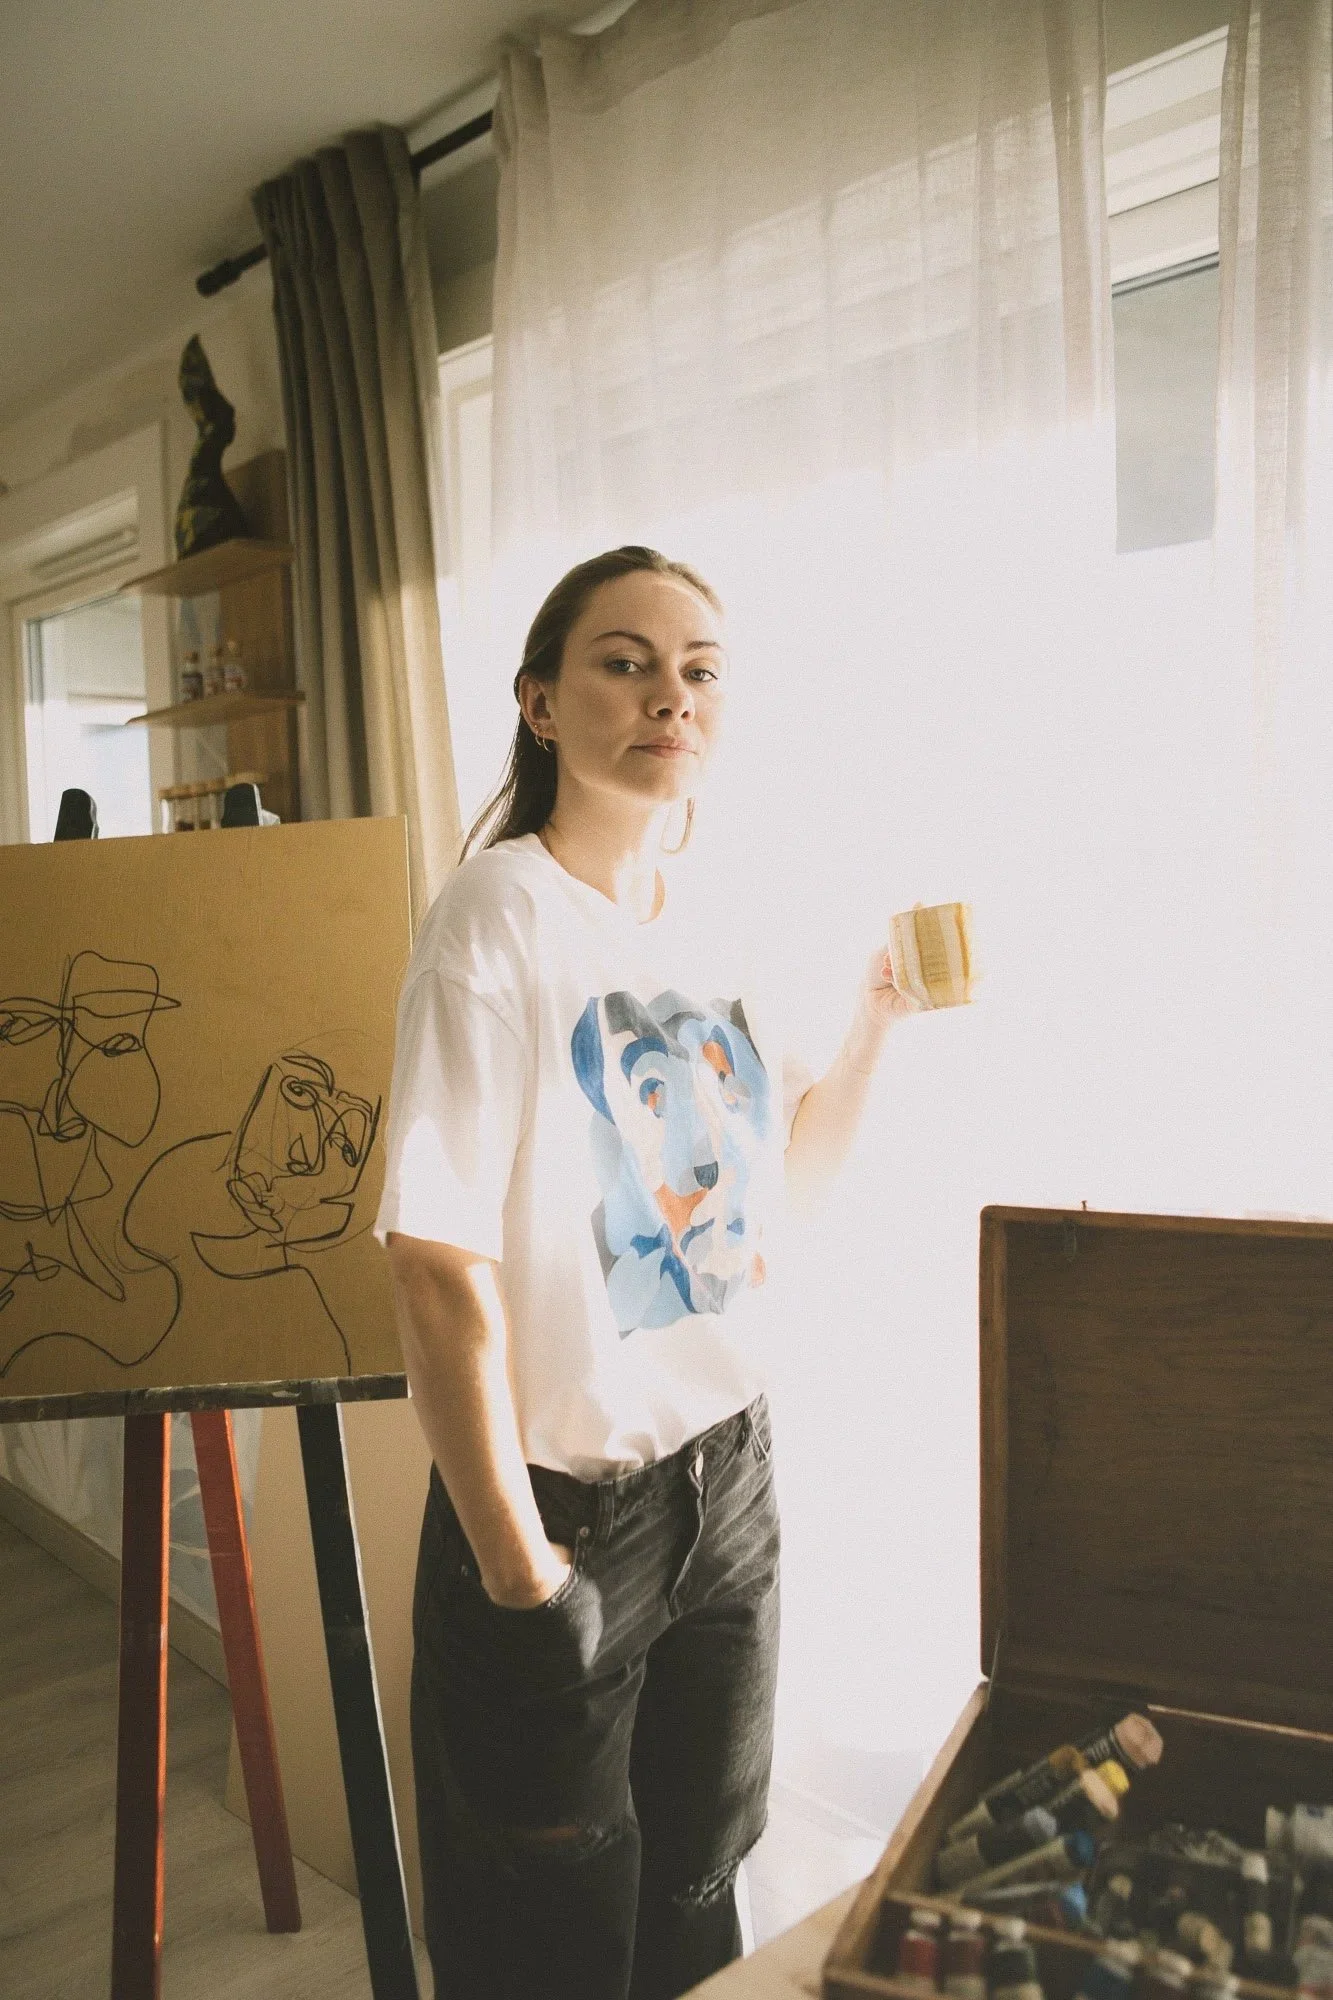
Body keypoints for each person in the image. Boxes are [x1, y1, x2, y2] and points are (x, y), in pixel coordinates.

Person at [374, 546, 915, 2000]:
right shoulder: (498, 916)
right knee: (545, 1944)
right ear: (542, 704)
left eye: (699, 669)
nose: (668, 694)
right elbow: (433, 1261)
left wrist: (870, 1026)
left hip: (729, 1480)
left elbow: (776, 1205)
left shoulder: (721, 909)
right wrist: (514, 1564)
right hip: (566, 1519)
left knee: (695, 1887)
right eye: (624, 662)